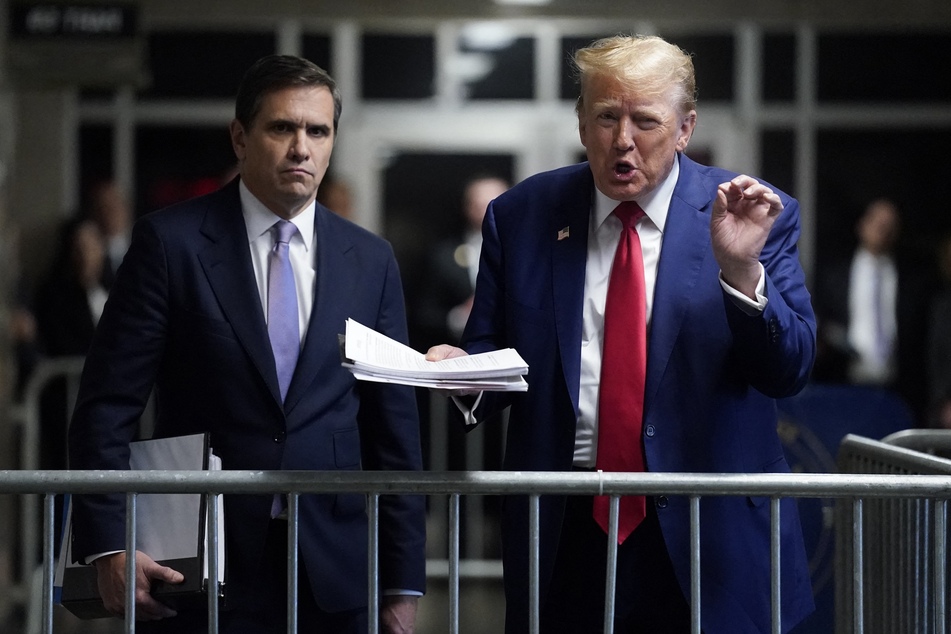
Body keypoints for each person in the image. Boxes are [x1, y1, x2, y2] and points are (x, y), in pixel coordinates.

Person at [426, 35, 816, 633]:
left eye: (646, 121)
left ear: (685, 129)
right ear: (582, 122)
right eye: (606, 116)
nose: (623, 139)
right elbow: (496, 358)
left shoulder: (752, 212)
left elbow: (788, 370)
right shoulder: (523, 215)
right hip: (566, 528)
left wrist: (740, 272)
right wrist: (462, 371)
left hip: (707, 531)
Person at [68, 54, 425, 634]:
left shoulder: (370, 260)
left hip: (336, 567)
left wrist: (402, 577)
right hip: (200, 561)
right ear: (240, 136)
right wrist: (109, 542)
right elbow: (107, 406)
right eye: (282, 127)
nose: (300, 148)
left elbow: (395, 428)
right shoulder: (171, 244)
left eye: (318, 130)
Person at [812, 198, 931, 421]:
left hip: (896, 391)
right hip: (842, 386)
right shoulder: (834, 275)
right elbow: (820, 324)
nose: (883, 230)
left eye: (890, 225)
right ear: (862, 225)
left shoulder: (912, 280)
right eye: (878, 222)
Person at [415, 175, 510, 348]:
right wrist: (458, 317)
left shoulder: (527, 250)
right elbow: (423, 313)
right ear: (467, 207)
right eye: (480, 204)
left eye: (494, 203)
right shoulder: (443, 255)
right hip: (457, 351)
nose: (487, 211)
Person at [85, 179, 134, 289]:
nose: (110, 213)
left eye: (115, 206)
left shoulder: (143, 246)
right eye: (103, 207)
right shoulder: (85, 251)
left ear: (126, 209)